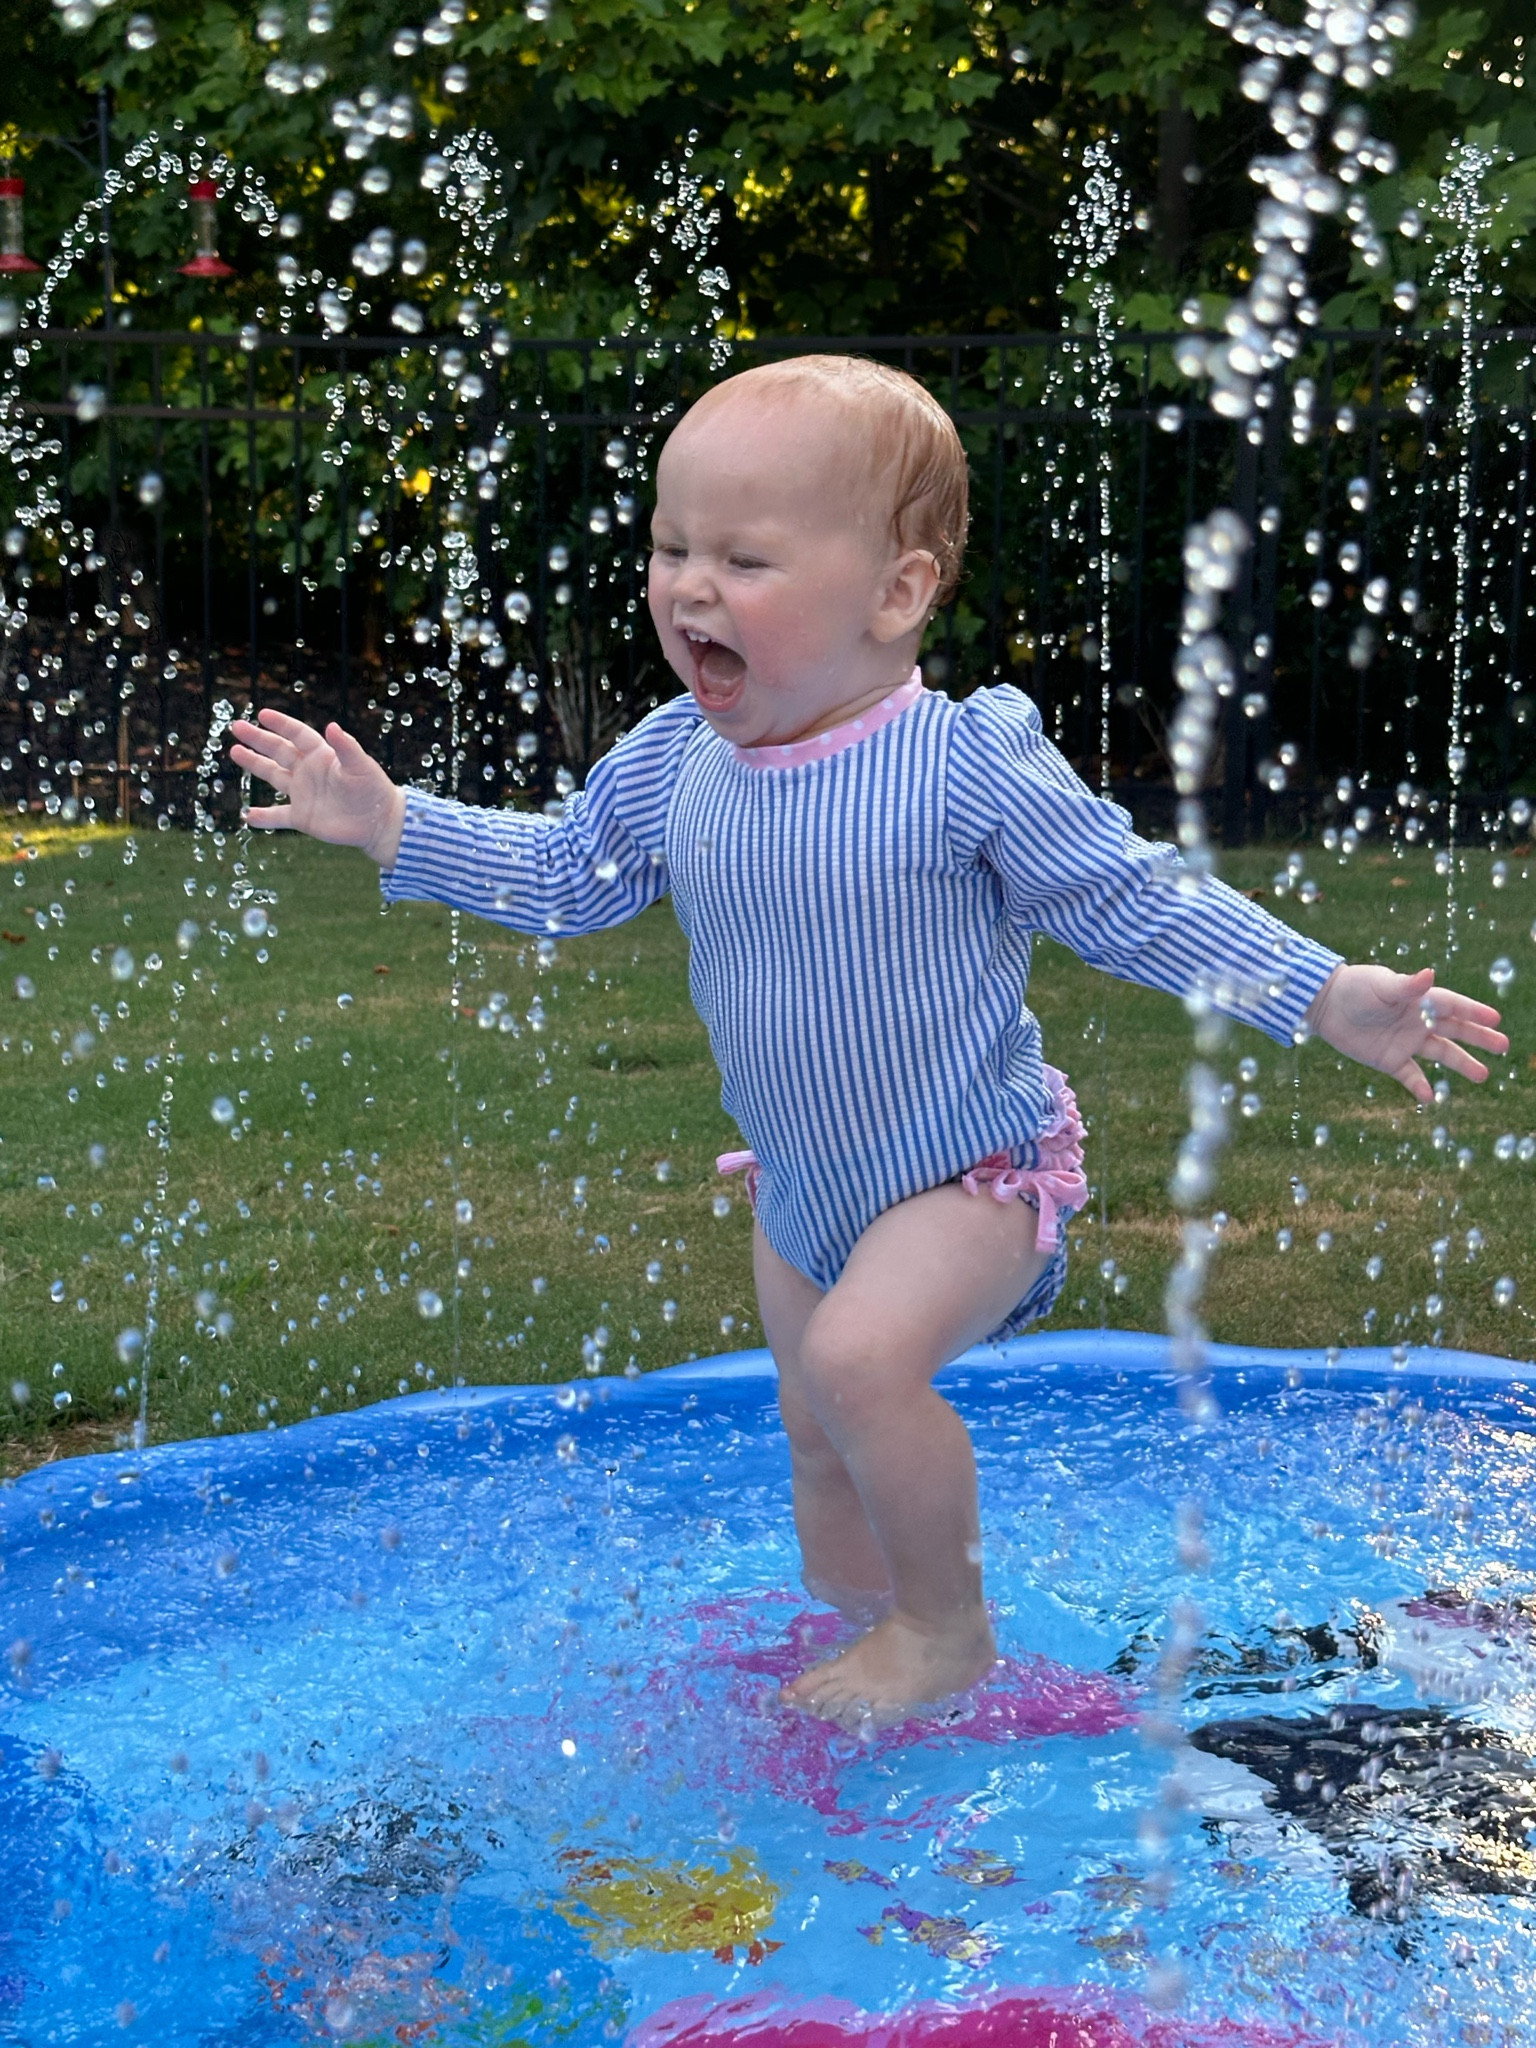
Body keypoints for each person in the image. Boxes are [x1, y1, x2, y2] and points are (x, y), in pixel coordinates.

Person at [229, 356, 1507, 1731]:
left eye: (744, 557)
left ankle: (943, 1631)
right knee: (816, 1426)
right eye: (671, 548)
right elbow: (565, 876)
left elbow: (1135, 900)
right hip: (803, 1190)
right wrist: (395, 824)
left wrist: (1322, 993)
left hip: (971, 1180)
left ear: (894, 593)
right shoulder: (676, 760)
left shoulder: (961, 763)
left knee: (859, 1367)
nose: (689, 587)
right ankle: (852, 1640)